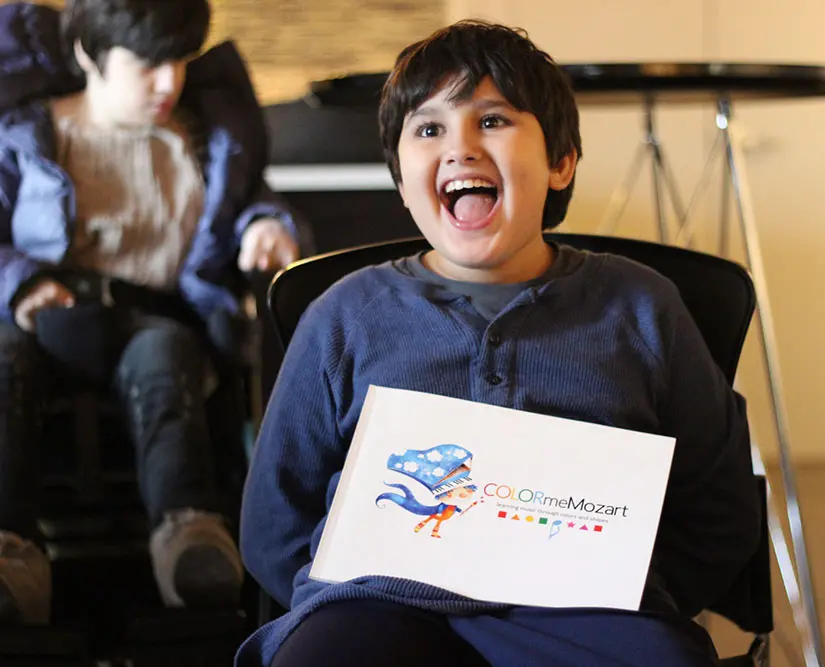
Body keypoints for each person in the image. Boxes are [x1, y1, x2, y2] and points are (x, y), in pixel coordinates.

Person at [240, 20, 759, 667]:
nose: (459, 147)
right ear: (402, 180)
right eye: (429, 129)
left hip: (587, 610)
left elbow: (719, 499)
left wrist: (641, 587)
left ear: (560, 161)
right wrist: (341, 590)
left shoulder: (641, 308)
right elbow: (275, 521)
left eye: (491, 121)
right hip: (375, 609)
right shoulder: (343, 317)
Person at [0, 0, 304, 625]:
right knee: (4, 361)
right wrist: (23, 285)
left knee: (166, 359)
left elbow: (250, 200)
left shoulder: (202, 140)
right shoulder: (30, 137)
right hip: (51, 317)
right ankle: (9, 554)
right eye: (147, 65)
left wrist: (268, 224)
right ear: (89, 55)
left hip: (156, 320)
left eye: (180, 62)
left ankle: (190, 537)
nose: (168, 83)